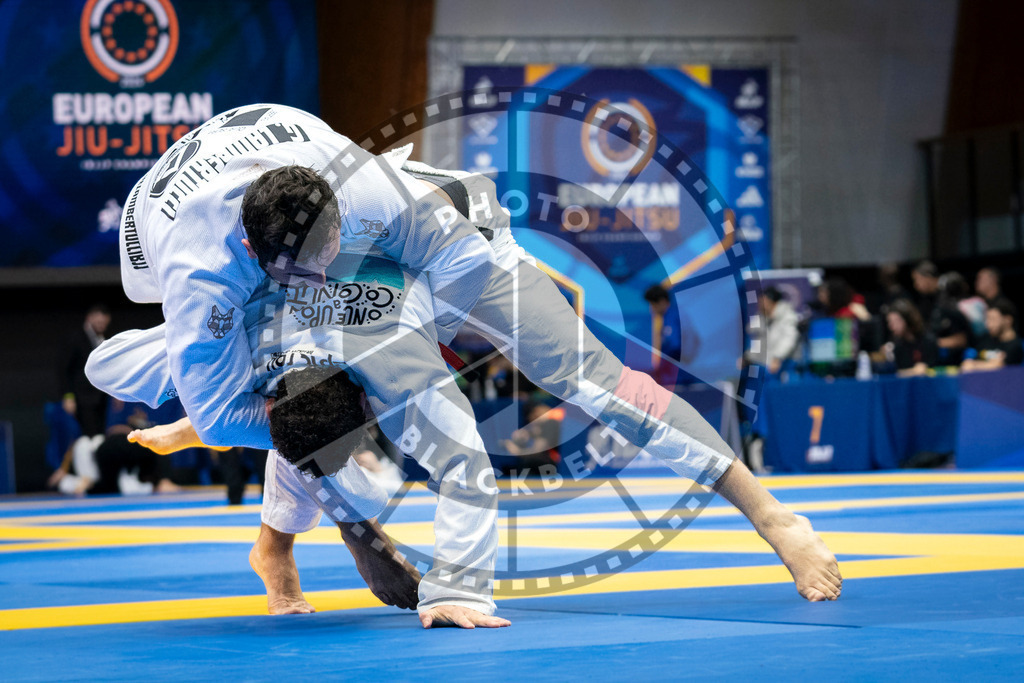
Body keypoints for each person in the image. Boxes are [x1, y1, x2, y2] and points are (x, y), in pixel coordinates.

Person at [93, 103, 841, 611]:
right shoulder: (195, 275)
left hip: (459, 234)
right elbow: (225, 409)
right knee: (294, 389)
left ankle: (775, 518)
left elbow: (447, 269)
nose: (318, 282)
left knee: (591, 380)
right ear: (250, 252)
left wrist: (395, 357)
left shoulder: (365, 195)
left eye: (327, 258)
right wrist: (245, 416)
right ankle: (278, 540)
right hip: (219, 231)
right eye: (300, 272)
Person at [61, 304, 112, 436]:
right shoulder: (75, 339)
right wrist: (68, 396)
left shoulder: (105, 339)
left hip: (101, 396)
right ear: (90, 318)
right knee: (89, 433)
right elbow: (64, 369)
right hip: (82, 397)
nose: (101, 325)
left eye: (104, 323)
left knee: (100, 432)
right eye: (99, 322)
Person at [875, 299, 937, 376]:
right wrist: (913, 371)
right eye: (889, 322)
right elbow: (896, 373)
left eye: (896, 321)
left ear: (907, 319)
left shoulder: (928, 341)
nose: (891, 326)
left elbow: (931, 370)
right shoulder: (896, 345)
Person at [962, 299, 1023, 372]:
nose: (988, 324)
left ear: (1008, 320)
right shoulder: (986, 341)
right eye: (987, 319)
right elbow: (968, 364)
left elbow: (1001, 366)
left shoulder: (1016, 345)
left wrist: (976, 365)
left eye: (993, 319)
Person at [758, 287, 800, 376]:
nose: (760, 304)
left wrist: (777, 358)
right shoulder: (763, 319)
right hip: (767, 363)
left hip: (788, 364)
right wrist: (748, 357)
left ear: (771, 302)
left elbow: (789, 340)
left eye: (763, 301)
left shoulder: (788, 316)